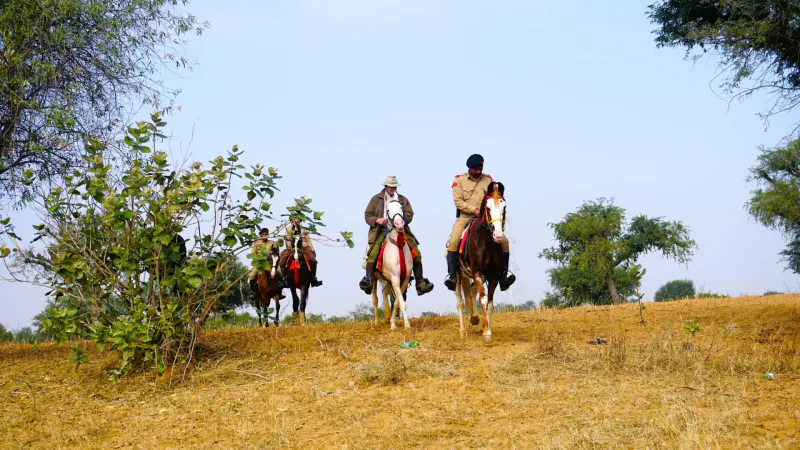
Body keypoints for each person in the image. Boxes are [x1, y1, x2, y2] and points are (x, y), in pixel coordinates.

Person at [444, 154, 516, 291]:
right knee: (453, 241)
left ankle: (503, 276)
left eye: (480, 168)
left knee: (504, 242)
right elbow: (458, 201)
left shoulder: (488, 180)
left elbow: (495, 197)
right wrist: (474, 209)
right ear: (469, 168)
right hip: (465, 216)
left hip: (485, 218)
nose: (478, 171)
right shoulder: (459, 180)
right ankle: (452, 276)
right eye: (475, 169)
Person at [359, 175, 434, 296]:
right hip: (381, 230)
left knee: (416, 253)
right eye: (390, 186)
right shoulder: (376, 199)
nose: (392, 189)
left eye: (394, 187)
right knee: (373, 252)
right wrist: (377, 219)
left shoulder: (403, 199)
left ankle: (420, 282)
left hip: (400, 230)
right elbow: (367, 215)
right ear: (385, 186)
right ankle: (368, 279)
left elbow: (410, 213)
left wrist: (403, 220)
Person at [279, 217, 322, 287]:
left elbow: (308, 240)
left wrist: (312, 249)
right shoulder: (288, 229)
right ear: (292, 220)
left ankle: (313, 279)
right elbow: (286, 240)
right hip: (292, 248)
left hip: (304, 247)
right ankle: (285, 279)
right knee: (282, 262)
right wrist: (291, 246)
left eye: (299, 219)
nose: (298, 220)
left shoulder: (304, 229)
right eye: (296, 219)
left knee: (313, 261)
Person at [248, 227, 285, 301]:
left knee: (280, 272)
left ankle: (280, 291)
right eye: (263, 234)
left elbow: (276, 253)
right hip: (260, 263)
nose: (265, 235)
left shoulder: (272, 243)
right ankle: (253, 292)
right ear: (261, 235)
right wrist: (259, 260)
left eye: (266, 234)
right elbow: (253, 254)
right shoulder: (256, 243)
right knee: (252, 276)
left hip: (270, 263)